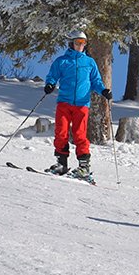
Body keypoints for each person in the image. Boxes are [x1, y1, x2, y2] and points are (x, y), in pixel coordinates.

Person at [43, 29, 111, 178]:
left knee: (80, 134)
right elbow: (52, 76)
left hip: (82, 104)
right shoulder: (62, 61)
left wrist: (104, 91)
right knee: (61, 133)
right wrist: (50, 84)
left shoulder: (89, 62)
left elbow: (96, 82)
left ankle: (84, 167)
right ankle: (62, 164)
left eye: (83, 43)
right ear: (71, 43)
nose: (80, 45)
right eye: (77, 42)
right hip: (64, 103)